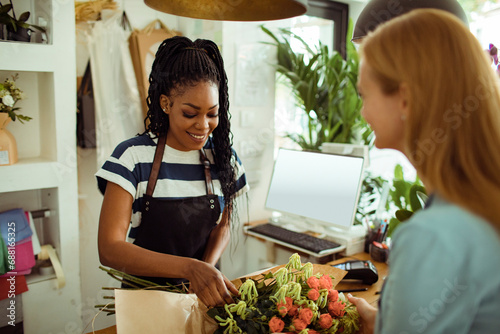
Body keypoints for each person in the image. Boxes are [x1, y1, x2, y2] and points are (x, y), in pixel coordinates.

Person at [347, 8, 500, 334]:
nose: (362, 112)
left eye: (365, 94)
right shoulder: (477, 206)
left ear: (405, 98)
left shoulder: (434, 237)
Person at [96, 36, 249, 308]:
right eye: (190, 113)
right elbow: (109, 249)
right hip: (142, 305)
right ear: (166, 104)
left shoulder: (225, 159)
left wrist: (205, 269)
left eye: (212, 113)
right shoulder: (132, 158)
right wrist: (190, 269)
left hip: (199, 299)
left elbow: (223, 224)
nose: (203, 125)